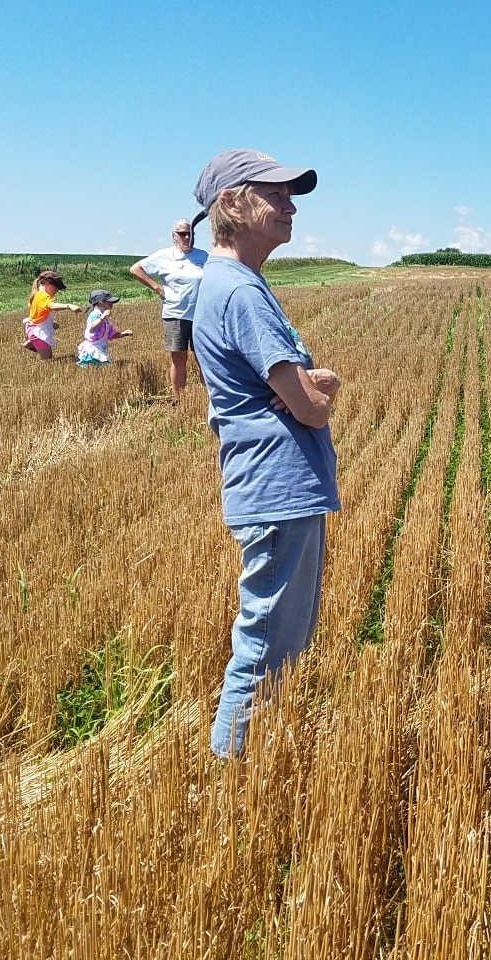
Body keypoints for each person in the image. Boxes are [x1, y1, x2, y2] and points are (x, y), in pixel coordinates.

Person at [191, 149, 341, 758]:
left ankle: (256, 763)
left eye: (290, 194)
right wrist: (324, 388)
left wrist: (309, 385)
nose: (290, 205)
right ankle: (233, 779)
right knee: (265, 647)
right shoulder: (241, 291)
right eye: (274, 194)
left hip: (274, 485)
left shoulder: (230, 284)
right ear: (232, 203)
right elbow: (308, 404)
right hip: (278, 486)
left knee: (278, 639)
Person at [128, 219, 209, 404]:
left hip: (201, 315)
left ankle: (210, 399)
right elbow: (136, 269)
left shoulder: (204, 256)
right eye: (183, 234)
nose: (187, 237)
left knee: (204, 358)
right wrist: (157, 288)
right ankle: (179, 399)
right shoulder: (164, 256)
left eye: (190, 233)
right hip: (175, 315)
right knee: (179, 359)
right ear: (174, 236)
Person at [23, 271, 82, 359]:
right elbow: (52, 306)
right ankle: (34, 342)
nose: (57, 290)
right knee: (48, 361)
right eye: (56, 287)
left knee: (55, 325)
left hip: (32, 327)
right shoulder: (43, 296)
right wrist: (68, 306)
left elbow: (39, 312)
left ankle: (32, 341)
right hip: (38, 332)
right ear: (47, 284)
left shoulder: (37, 294)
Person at [76, 289, 133, 366]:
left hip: (101, 349)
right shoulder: (94, 314)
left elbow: (111, 334)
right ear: (100, 302)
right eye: (109, 302)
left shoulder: (105, 319)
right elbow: (92, 329)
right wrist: (102, 317)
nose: (112, 303)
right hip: (93, 350)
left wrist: (123, 333)